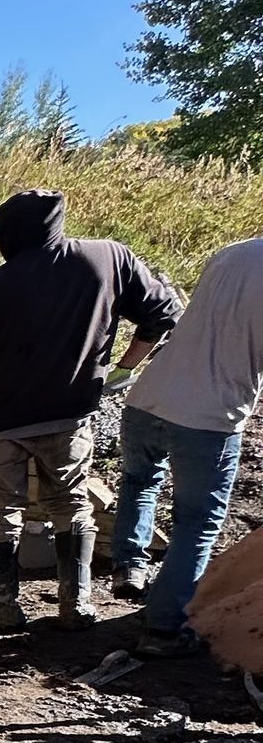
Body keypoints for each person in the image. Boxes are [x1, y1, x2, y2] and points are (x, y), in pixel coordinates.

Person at [0, 190, 181, 630]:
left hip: (1, 421)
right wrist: (122, 369)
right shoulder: (108, 258)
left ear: (11, 234)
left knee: (0, 510)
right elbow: (164, 313)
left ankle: (1, 608)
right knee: (71, 505)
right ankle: (77, 606)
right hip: (69, 415)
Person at [111, 233, 263, 655]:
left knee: (140, 482)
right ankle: (164, 630)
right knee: (197, 524)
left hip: (149, 397)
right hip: (209, 415)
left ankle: (129, 568)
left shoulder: (232, 252)